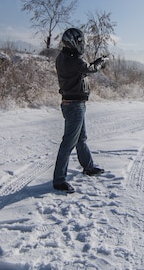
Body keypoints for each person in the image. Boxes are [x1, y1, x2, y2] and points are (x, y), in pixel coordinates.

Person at [53, 27, 108, 193]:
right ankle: (59, 181)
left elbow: (82, 70)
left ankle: (88, 167)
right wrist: (99, 63)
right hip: (75, 105)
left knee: (81, 138)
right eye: (80, 42)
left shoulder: (64, 57)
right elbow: (89, 69)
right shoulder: (73, 60)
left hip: (73, 104)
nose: (82, 44)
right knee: (68, 143)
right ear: (72, 42)